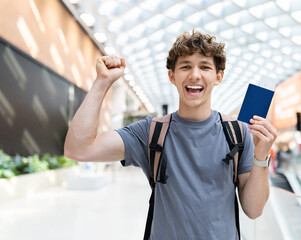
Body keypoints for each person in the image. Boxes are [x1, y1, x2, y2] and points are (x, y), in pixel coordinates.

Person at [64, 31, 277, 240]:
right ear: (172, 76)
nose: (195, 74)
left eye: (204, 67)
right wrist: (102, 82)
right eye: (186, 66)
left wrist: (261, 156)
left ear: (218, 77)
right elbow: (78, 148)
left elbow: (254, 209)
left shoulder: (238, 133)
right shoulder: (151, 132)